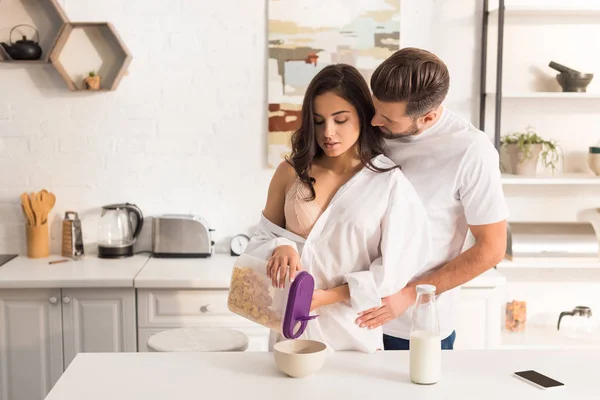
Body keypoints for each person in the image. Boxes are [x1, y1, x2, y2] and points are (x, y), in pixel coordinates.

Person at [243, 64, 431, 353]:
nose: (328, 132)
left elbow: (396, 269)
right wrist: (281, 245)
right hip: (292, 333)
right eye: (318, 121)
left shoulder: (389, 182)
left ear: (363, 115)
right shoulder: (290, 171)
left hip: (353, 331)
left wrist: (329, 296)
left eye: (340, 119)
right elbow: (259, 241)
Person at [355, 47, 509, 350]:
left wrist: (410, 294)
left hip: (411, 328)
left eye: (387, 118)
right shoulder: (373, 126)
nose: (373, 122)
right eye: (375, 109)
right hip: (348, 316)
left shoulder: (470, 151)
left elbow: (492, 248)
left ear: (428, 117)